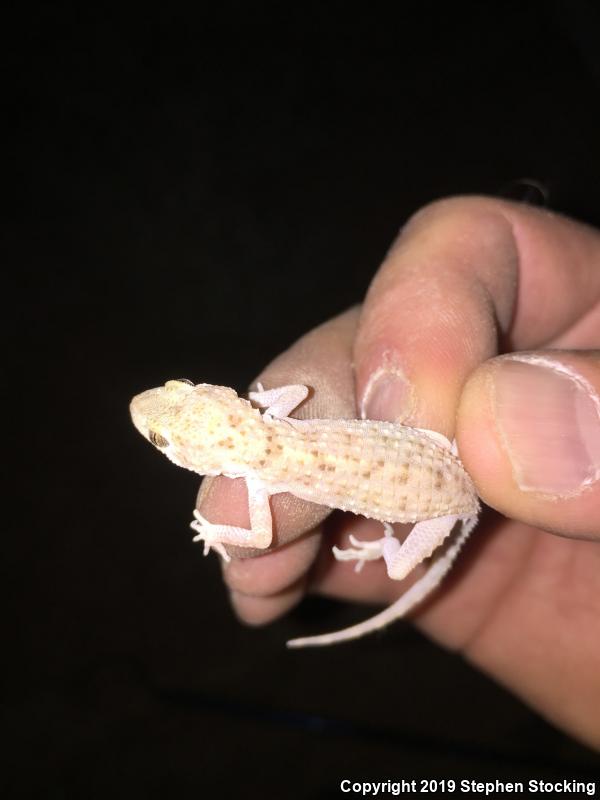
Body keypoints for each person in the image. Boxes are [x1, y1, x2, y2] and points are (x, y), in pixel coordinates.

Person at [197, 196, 600, 749]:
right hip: (445, 461)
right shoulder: (276, 432)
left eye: (188, 393)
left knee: (401, 543)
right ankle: (389, 546)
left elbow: (261, 534)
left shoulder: (263, 481)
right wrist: (264, 403)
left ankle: (386, 551)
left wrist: (219, 531)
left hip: (445, 486)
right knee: (422, 426)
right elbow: (295, 394)